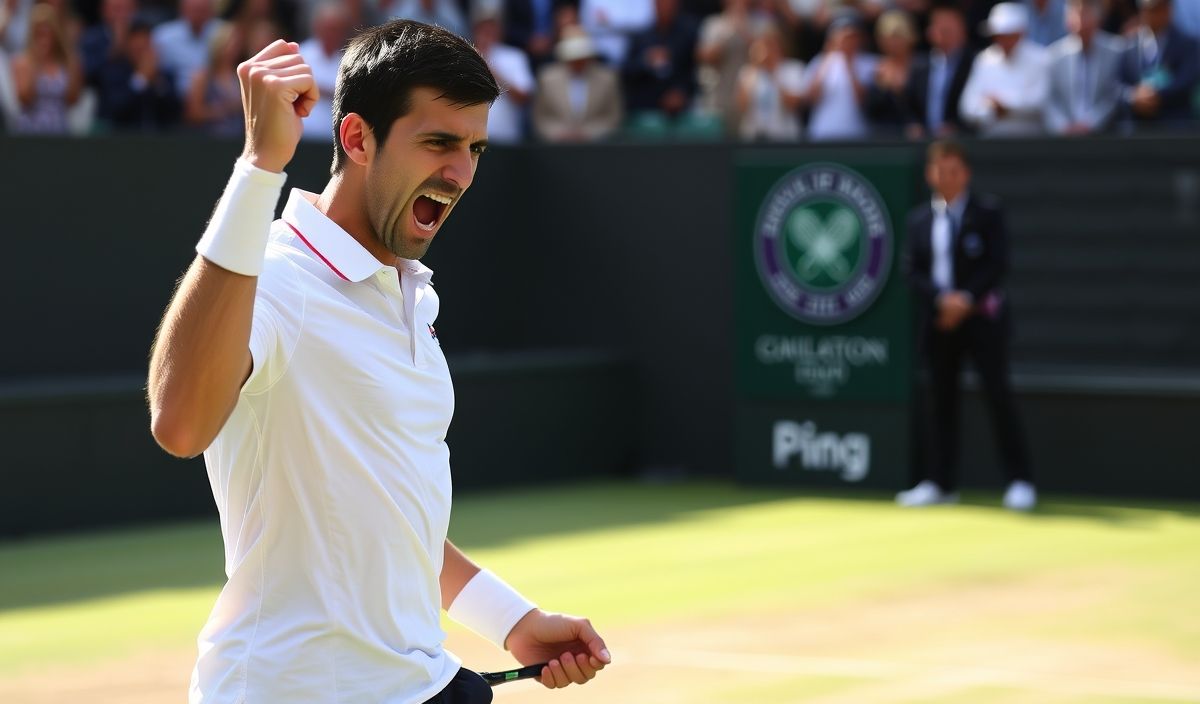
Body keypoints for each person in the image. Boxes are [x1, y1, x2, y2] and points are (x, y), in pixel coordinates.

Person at [147, 20, 610, 703]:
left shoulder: (411, 295)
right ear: (358, 138)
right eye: (438, 143)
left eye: (475, 147)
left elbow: (387, 513)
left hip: (421, 684)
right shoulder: (275, 277)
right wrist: (258, 169)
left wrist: (511, 620)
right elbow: (180, 423)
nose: (460, 172)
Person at [898, 140, 1035, 512]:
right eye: (940, 170)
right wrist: (942, 301)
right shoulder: (918, 220)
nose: (947, 176)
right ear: (930, 175)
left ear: (967, 173)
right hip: (940, 322)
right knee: (940, 404)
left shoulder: (988, 213)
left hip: (982, 321)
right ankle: (940, 484)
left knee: (998, 397)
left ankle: (1020, 481)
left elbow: (997, 263)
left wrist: (965, 299)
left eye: (954, 169)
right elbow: (911, 271)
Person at [958, 2, 1050, 137]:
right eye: (999, 35)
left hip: (1031, 142)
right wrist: (991, 110)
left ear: (1021, 33)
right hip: (993, 142)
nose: (1004, 41)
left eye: (1009, 35)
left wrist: (1005, 106)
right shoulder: (984, 60)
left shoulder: (1041, 58)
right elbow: (967, 107)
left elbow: (1041, 101)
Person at [1044, 0, 1124, 135]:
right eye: (1076, 14)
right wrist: (1063, 127)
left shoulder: (1116, 50)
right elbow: (1049, 100)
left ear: (1098, 19)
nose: (1081, 22)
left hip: (1103, 137)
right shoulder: (1054, 55)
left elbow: (1114, 95)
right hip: (1064, 138)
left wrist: (1090, 124)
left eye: (1086, 15)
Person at [1118, 0, 1199, 129]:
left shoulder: (1188, 44)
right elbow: (1117, 84)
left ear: (1168, 10)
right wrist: (1133, 96)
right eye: (1147, 9)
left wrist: (1156, 96)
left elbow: (1187, 81)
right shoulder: (1128, 45)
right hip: (1137, 127)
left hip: (1175, 126)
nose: (1150, 14)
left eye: (1156, 9)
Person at [532, 27, 623, 141]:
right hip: (556, 148)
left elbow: (613, 117)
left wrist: (588, 133)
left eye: (581, 57)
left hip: (596, 147)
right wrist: (559, 133)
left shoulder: (608, 78)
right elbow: (540, 117)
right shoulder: (546, 78)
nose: (578, 62)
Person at [902, 3, 977, 139]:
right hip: (924, 143)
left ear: (962, 30)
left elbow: (975, 106)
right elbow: (910, 106)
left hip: (964, 141)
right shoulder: (920, 66)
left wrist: (956, 127)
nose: (943, 33)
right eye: (939, 28)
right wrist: (915, 125)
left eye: (948, 29)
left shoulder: (976, 63)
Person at [800, 11, 878, 141]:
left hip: (857, 137)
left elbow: (864, 101)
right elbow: (811, 99)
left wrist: (849, 62)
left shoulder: (870, 64)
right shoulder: (820, 61)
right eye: (842, 34)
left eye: (853, 36)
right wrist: (828, 56)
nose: (847, 40)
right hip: (821, 134)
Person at [7, 1, 83, 134]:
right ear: (32, 35)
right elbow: (24, 98)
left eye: (48, 33)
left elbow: (73, 100)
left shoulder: (69, 62)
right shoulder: (22, 62)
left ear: (56, 35)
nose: (44, 40)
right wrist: (37, 64)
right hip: (30, 132)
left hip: (60, 129)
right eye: (39, 34)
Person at [94, 16, 181, 129]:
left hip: (159, 141)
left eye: (145, 44)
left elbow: (175, 112)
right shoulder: (113, 72)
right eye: (137, 46)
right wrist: (140, 80)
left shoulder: (164, 75)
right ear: (127, 45)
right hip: (121, 140)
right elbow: (115, 110)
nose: (141, 51)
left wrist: (157, 82)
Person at [622, 0, 700, 123]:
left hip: (680, 112)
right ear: (654, 5)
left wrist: (681, 92)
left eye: (669, 3)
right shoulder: (641, 36)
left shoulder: (689, 34)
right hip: (644, 110)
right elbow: (626, 71)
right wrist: (645, 61)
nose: (665, 7)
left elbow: (693, 70)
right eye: (661, 3)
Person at [472, 7, 535, 144]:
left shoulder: (514, 56)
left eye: (491, 28)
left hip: (506, 138)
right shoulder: (466, 56)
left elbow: (523, 97)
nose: (487, 33)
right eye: (483, 28)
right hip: (472, 138)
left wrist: (492, 72)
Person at [734, 25, 803, 139]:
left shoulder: (793, 69)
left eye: (771, 45)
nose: (767, 50)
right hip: (755, 137)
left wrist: (773, 74)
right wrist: (754, 67)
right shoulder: (748, 72)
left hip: (784, 137)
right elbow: (742, 107)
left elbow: (792, 105)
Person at [297, 0, 349, 141]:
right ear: (318, 27)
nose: (332, 34)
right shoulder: (301, 54)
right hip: (301, 139)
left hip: (333, 143)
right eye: (329, 28)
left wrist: (314, 87)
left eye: (336, 29)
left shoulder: (348, 61)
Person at [182, 21, 243, 135]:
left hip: (239, 140)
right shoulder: (203, 77)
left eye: (237, 43)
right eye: (231, 42)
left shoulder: (241, 75)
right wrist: (223, 110)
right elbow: (193, 113)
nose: (234, 47)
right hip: (210, 141)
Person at [152, 0, 225, 93]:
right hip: (175, 98)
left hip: (216, 97)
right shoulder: (163, 36)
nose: (198, 15)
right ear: (182, 10)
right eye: (194, 10)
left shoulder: (223, 33)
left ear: (211, 11)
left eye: (202, 10)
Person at [865, 9, 918, 136]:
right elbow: (872, 110)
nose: (892, 43)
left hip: (918, 137)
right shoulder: (876, 70)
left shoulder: (922, 67)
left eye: (897, 36)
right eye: (887, 37)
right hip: (885, 138)